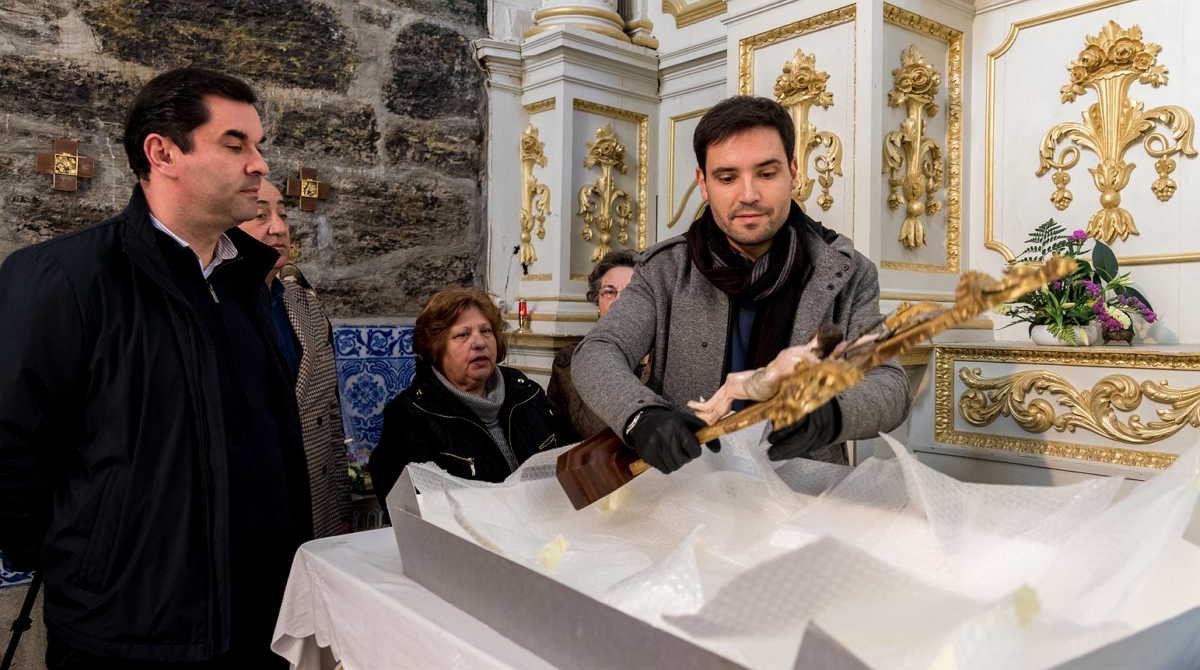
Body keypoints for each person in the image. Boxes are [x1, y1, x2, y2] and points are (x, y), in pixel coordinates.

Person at [0, 67, 310, 668]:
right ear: (162, 152)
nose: (260, 165)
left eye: (259, 146)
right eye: (235, 143)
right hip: (127, 630)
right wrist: (93, 560)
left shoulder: (249, 282)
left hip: (258, 621)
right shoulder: (61, 279)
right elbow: (12, 453)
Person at [572, 95, 910, 474]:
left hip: (802, 493)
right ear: (703, 183)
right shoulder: (662, 270)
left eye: (766, 174)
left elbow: (890, 385)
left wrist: (830, 414)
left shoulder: (849, 272)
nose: (748, 194)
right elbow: (597, 351)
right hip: (690, 489)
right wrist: (640, 415)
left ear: (793, 172)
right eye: (727, 177)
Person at [369, 288, 562, 510]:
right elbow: (408, 512)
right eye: (463, 334)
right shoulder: (410, 415)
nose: (479, 342)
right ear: (436, 347)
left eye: (486, 331)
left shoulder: (527, 393)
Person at [237, 177, 350, 538]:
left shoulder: (305, 305)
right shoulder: (212, 309)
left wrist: (341, 507)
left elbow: (328, 412)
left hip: (316, 502)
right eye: (260, 216)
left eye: (283, 215)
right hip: (253, 508)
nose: (279, 228)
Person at [547, 250, 640, 442]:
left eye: (631, 292)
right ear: (597, 302)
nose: (619, 302)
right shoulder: (569, 362)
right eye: (609, 292)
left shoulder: (667, 358)